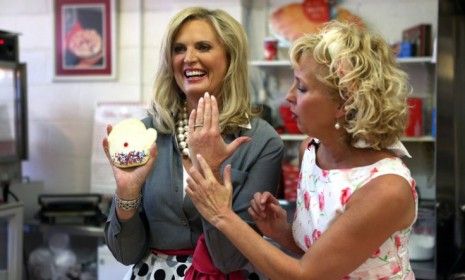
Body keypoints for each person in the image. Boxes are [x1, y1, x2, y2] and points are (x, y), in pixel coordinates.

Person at [186, 20, 418, 279]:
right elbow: (323, 254)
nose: (289, 96)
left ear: (345, 101)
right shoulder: (310, 152)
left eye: (302, 87)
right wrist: (281, 231)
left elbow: (305, 275)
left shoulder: (386, 189)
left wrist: (222, 214)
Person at [102, 6, 284, 280]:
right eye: (178, 49)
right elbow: (125, 253)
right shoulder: (146, 133)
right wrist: (126, 195)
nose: (188, 58)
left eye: (203, 46)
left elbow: (228, 259)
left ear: (230, 57)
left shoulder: (262, 141)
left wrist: (208, 172)